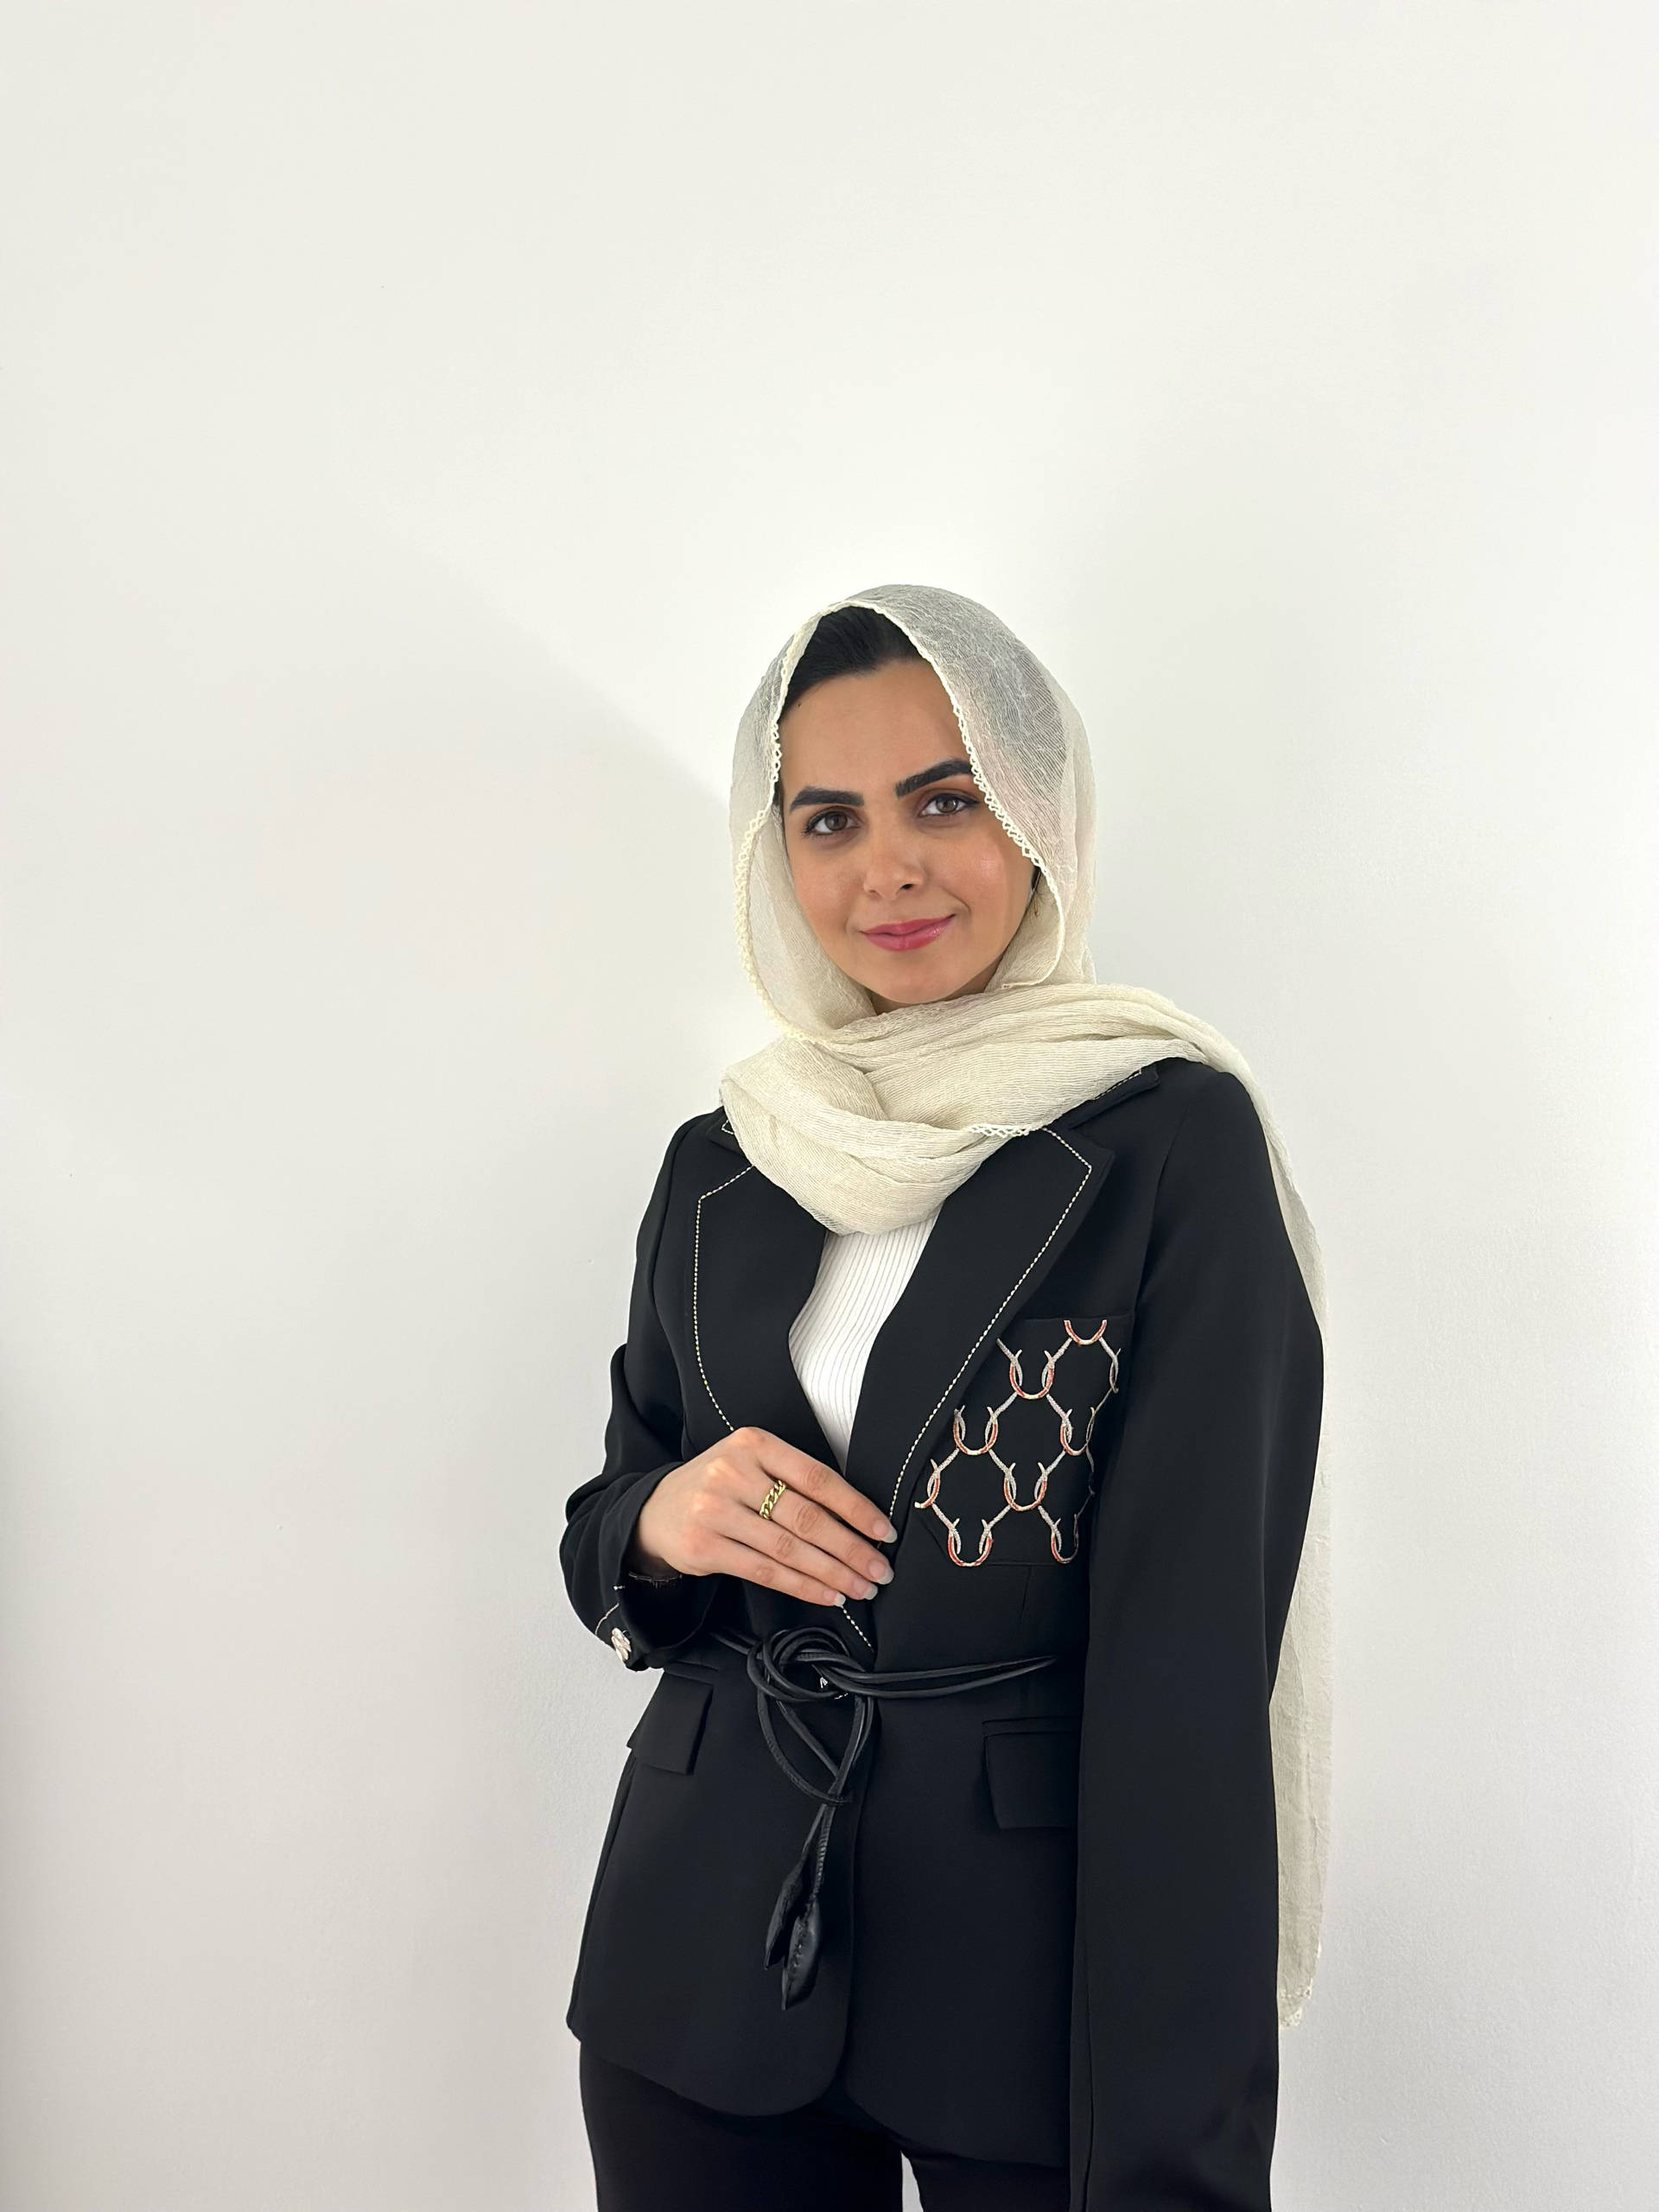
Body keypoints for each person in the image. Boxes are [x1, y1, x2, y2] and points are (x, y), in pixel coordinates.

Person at [561, 586, 1328, 2211]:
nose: (888, 868)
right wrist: (660, 1521)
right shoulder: (727, 1159)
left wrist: (1174, 2144)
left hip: (1028, 2002)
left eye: (946, 799)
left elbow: (1192, 1682)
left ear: (1040, 819)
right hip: (697, 1961)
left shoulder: (1168, 1144)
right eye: (829, 818)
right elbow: (609, 1526)